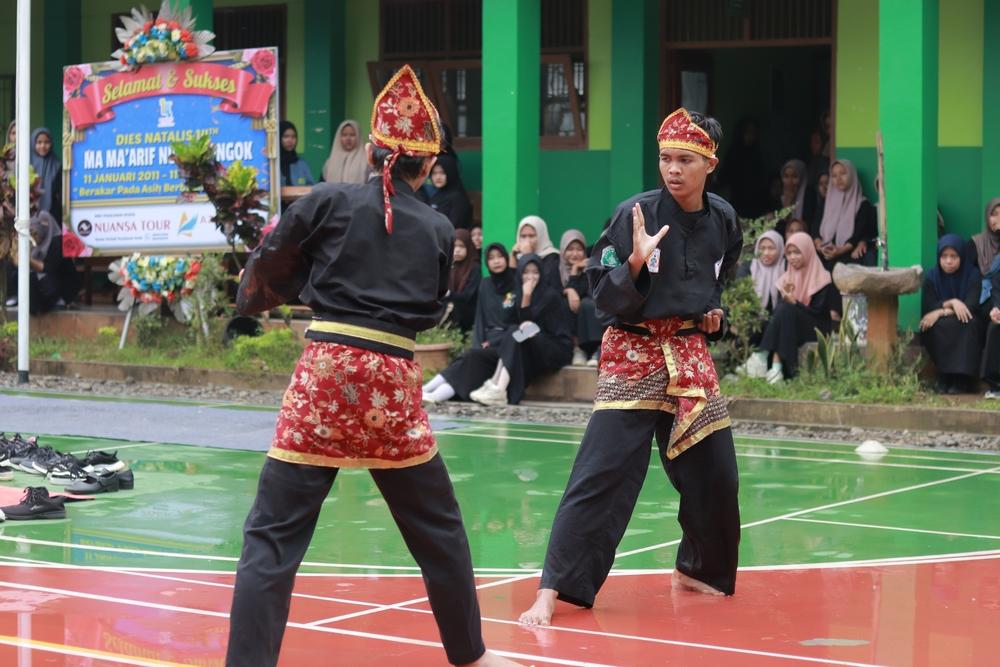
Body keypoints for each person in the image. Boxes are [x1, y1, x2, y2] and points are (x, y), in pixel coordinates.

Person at [225, 65, 520, 667]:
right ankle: (471, 656)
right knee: (438, 529)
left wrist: (303, 288)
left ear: (376, 152)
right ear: (423, 164)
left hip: (325, 372)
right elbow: (433, 306)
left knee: (272, 537)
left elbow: (270, 262)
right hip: (391, 379)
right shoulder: (439, 226)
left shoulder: (327, 199)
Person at [518, 108, 743, 627]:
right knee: (603, 471)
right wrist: (638, 261)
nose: (673, 169)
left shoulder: (724, 219)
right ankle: (552, 591)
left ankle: (700, 570)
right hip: (634, 347)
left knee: (717, 474)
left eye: (685, 160)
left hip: (687, 348)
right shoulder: (634, 215)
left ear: (709, 164)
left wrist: (712, 311)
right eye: (666, 158)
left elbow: (718, 272)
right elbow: (603, 289)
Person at [460, 254, 573, 406]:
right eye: (526, 272)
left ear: (541, 273)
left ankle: (499, 388)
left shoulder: (549, 295)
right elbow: (513, 323)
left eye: (535, 272)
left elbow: (532, 323)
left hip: (554, 347)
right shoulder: (517, 293)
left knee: (522, 330)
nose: (530, 277)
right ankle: (495, 384)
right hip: (530, 343)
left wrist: (527, 297)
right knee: (515, 330)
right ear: (520, 273)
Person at [423, 242, 518, 403]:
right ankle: (427, 391)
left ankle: (434, 394)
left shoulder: (516, 284)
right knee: (469, 357)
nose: (496, 261)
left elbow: (518, 323)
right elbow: (480, 317)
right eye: (491, 258)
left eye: (500, 257)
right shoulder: (486, 284)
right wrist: (478, 343)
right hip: (488, 342)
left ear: (506, 258)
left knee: (470, 359)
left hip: (506, 345)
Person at [746, 232, 842, 383]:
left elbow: (818, 313)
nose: (792, 257)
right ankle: (776, 369)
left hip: (818, 328)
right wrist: (790, 300)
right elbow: (780, 313)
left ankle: (763, 356)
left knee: (787, 308)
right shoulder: (787, 277)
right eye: (789, 253)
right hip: (793, 322)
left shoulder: (823, 278)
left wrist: (795, 302)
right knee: (784, 310)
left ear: (808, 251)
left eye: (797, 252)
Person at [919, 235, 983, 394]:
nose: (948, 261)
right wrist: (952, 303)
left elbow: (971, 306)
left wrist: (943, 310)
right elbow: (929, 308)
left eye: (953, 256)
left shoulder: (973, 274)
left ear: (961, 256)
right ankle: (944, 376)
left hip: (967, 320)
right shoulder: (932, 277)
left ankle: (961, 379)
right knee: (936, 325)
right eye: (944, 256)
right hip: (942, 321)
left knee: (968, 324)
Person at [7, 211, 79, 313]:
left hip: (61, 282)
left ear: (44, 230)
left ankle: (50, 304)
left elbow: (48, 268)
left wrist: (28, 260)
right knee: (17, 275)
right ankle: (25, 304)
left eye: (35, 233)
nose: (33, 236)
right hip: (45, 279)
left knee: (36, 280)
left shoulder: (58, 242)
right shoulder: (37, 243)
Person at [816, 159, 877, 269]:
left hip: (848, 255)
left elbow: (858, 234)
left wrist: (839, 251)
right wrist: (820, 246)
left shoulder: (863, 204)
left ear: (852, 175)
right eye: (834, 176)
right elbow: (815, 229)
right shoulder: (827, 203)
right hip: (825, 253)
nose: (838, 179)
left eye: (843, 173)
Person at [560, 229, 604, 365]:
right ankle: (576, 348)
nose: (574, 254)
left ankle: (591, 350)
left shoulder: (589, 269)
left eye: (579, 249)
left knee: (587, 304)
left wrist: (575, 274)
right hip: (563, 323)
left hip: (584, 312)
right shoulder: (556, 268)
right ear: (563, 251)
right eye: (570, 249)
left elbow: (585, 290)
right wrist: (569, 289)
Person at [419, 153, 473, 229]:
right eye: (434, 173)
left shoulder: (458, 198)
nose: (438, 177)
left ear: (450, 173)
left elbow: (454, 227)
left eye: (442, 173)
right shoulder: (436, 196)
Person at [737, 229, 786, 313]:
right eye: (762, 248)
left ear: (780, 248)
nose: (766, 253)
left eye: (771, 248)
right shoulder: (748, 269)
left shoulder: (786, 268)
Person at [510, 215, 561, 291]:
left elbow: (545, 283)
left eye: (531, 236)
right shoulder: (519, 256)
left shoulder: (552, 256)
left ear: (541, 235)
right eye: (523, 236)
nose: (527, 240)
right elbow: (512, 284)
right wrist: (513, 256)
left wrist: (528, 256)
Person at [445, 228, 481, 332]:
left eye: (461, 246)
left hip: (468, 319)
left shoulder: (474, 268)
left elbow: (468, 295)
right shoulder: (448, 266)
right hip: (448, 317)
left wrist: (448, 294)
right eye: (454, 246)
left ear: (469, 247)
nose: (457, 250)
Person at [774, 159, 816, 233]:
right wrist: (788, 204)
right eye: (786, 176)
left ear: (802, 177)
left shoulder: (809, 196)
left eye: (794, 176)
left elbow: (809, 224)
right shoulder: (780, 198)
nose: (790, 181)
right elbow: (779, 228)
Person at [321, 119, 368, 184]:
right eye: (344, 135)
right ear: (339, 137)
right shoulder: (329, 163)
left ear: (358, 137)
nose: (348, 139)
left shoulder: (367, 162)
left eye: (352, 135)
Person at [30, 127, 62, 222]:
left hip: (53, 215)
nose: (43, 146)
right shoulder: (27, 165)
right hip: (30, 214)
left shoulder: (57, 165)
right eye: (39, 142)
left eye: (46, 142)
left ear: (51, 144)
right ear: (33, 144)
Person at [278, 120, 314, 187]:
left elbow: (310, 187)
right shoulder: (272, 163)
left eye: (293, 137)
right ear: (278, 138)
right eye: (286, 136)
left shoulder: (302, 164)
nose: (290, 140)